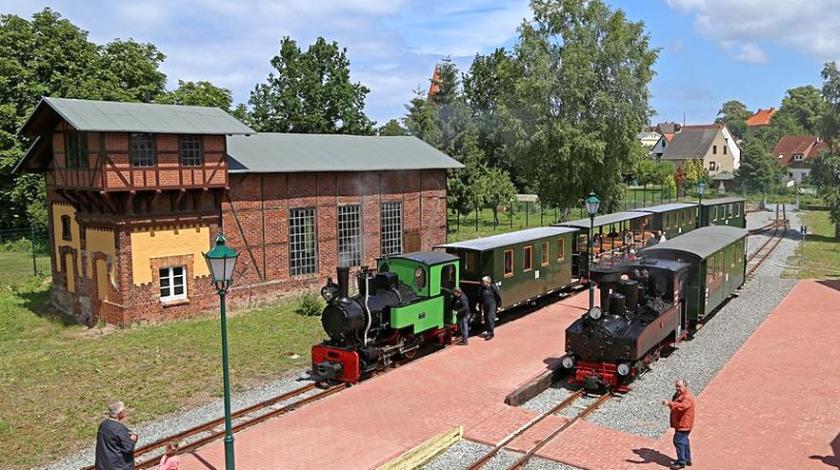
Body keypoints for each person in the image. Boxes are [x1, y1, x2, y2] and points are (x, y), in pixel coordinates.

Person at [662, 379, 695, 469]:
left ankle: (681, 462)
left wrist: (670, 403)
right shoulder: (679, 395)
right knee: (684, 441)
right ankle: (687, 459)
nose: (677, 388)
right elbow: (676, 405)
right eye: (676, 386)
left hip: (684, 425)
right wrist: (670, 404)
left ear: (685, 386)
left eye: (679, 386)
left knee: (678, 441)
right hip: (681, 424)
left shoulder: (687, 397)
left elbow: (681, 406)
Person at [95, 401, 138, 470]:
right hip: (119, 467)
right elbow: (128, 448)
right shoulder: (119, 429)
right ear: (120, 414)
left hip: (103, 465)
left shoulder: (103, 425)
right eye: (124, 411)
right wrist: (132, 439)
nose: (125, 412)